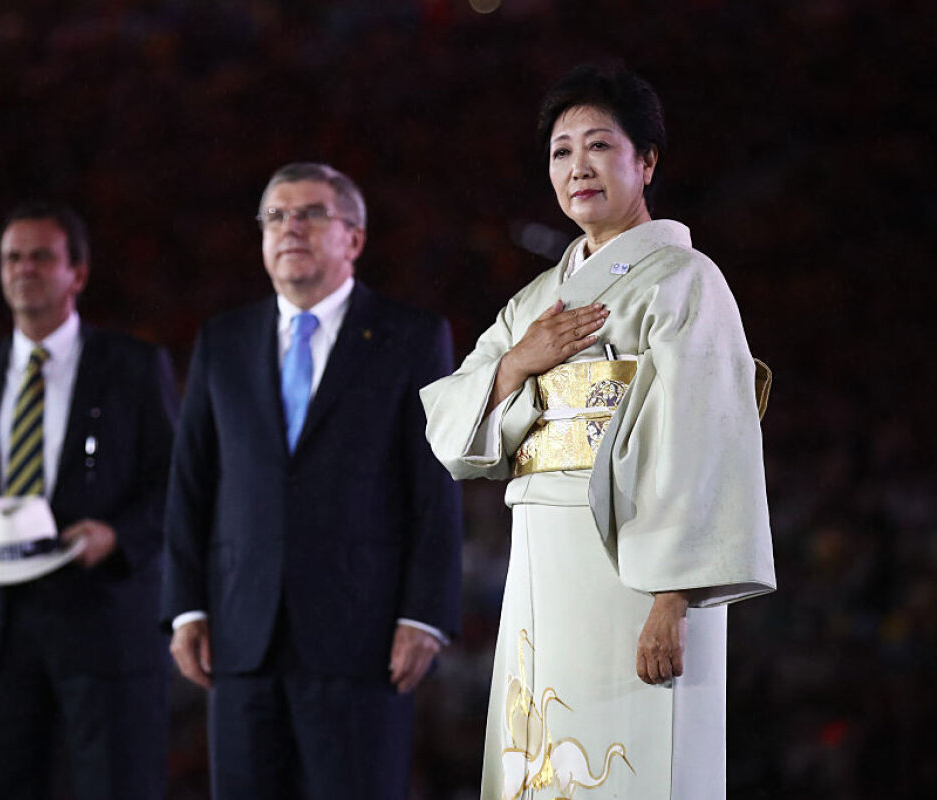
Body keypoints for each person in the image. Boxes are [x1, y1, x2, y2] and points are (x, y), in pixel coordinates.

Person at [421, 64, 776, 800]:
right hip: (541, 557)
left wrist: (674, 598)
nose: (576, 166)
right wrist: (521, 362)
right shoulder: (535, 302)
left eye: (598, 146)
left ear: (645, 161)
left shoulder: (684, 279)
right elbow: (450, 428)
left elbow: (705, 443)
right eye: (560, 151)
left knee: (640, 761)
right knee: (540, 758)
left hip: (637, 567)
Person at [162, 162, 463, 800]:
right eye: (275, 216)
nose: (289, 227)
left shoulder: (411, 338)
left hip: (365, 639)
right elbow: (191, 482)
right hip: (241, 638)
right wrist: (186, 606)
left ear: (353, 238)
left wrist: (425, 615)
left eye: (310, 214)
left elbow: (433, 490)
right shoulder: (223, 340)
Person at [0, 202, 177, 800]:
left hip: (102, 625)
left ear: (76, 273)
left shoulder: (132, 367)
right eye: (11, 257)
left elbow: (175, 482)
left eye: (40, 256)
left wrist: (116, 536)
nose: (23, 269)